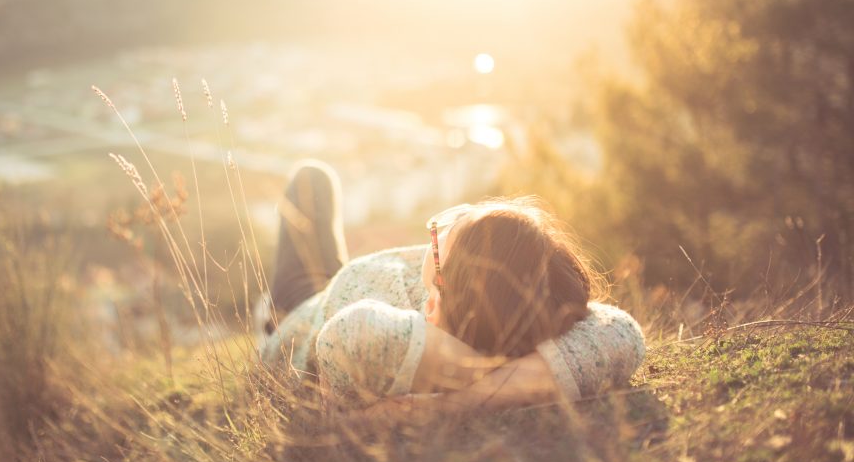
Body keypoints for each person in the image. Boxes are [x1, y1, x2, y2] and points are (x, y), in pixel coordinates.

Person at [258, 161, 645, 411]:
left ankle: (265, 322)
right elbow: (622, 334)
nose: (436, 232)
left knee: (309, 180)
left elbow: (350, 332)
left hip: (299, 312)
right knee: (314, 180)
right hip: (333, 290)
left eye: (445, 235)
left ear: (436, 303)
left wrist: (441, 406)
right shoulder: (515, 308)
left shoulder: (383, 335)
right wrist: (485, 377)